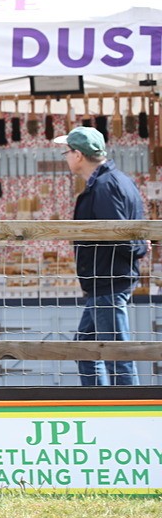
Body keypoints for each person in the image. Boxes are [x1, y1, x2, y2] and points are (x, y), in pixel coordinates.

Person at [54, 126, 148, 386]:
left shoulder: (105, 185)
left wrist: (139, 247)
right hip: (104, 279)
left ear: (79, 155)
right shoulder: (113, 180)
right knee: (86, 348)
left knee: (116, 353)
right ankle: (99, 402)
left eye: (67, 151)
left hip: (108, 279)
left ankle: (129, 412)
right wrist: (139, 246)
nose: (65, 156)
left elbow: (119, 233)